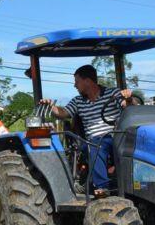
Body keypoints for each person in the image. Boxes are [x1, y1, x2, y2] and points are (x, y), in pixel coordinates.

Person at [40, 64, 133, 195]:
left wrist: (128, 98)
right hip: (94, 141)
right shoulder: (78, 101)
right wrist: (52, 107)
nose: (75, 85)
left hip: (117, 136)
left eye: (77, 82)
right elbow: (63, 113)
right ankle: (102, 188)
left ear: (88, 81)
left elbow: (127, 105)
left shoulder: (113, 93)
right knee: (95, 145)